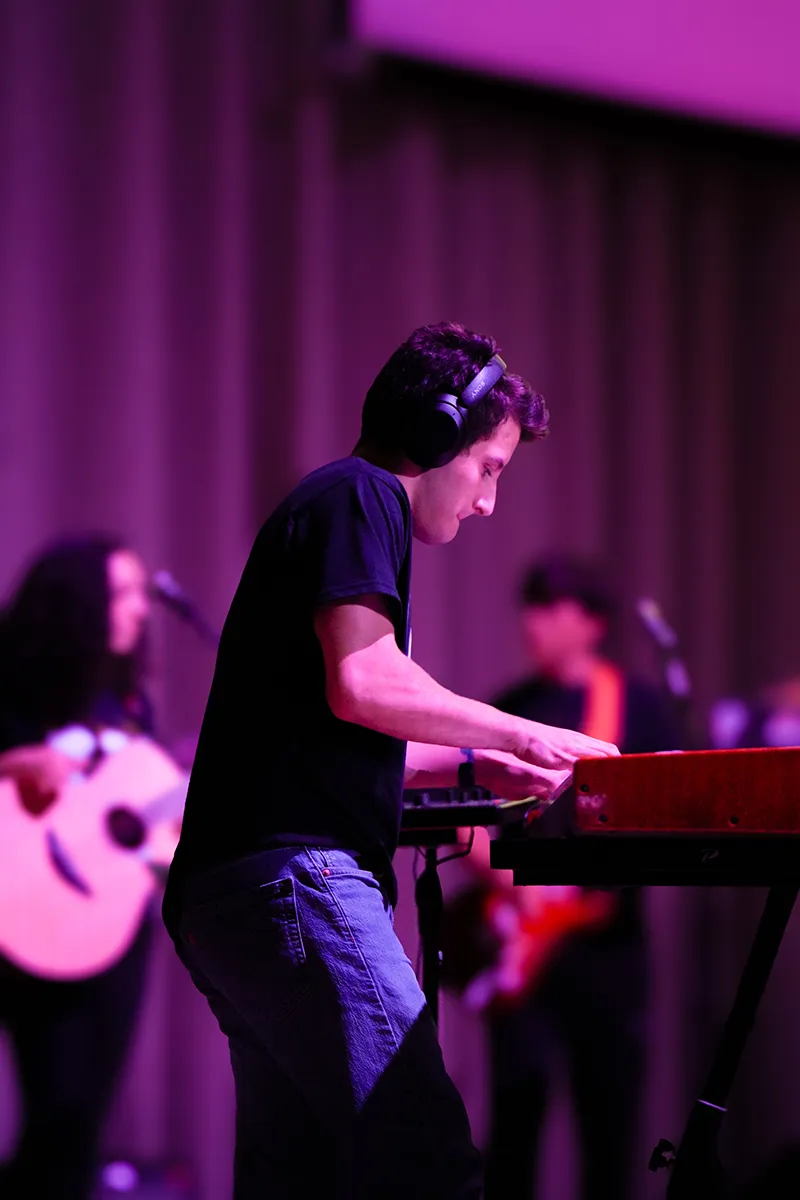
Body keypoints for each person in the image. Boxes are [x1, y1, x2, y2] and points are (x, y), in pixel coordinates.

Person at [162, 322, 620, 1199]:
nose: (489, 502)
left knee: (299, 1174)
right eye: (490, 468)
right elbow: (363, 683)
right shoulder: (360, 495)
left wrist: (476, 762)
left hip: (232, 892)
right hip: (295, 878)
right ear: (441, 432)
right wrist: (521, 731)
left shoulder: (338, 504)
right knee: (427, 1161)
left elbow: (336, 728)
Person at [461, 554, 680, 1200]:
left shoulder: (636, 706)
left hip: (607, 953)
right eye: (529, 605)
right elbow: (465, 821)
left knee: (609, 1131)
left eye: (550, 607)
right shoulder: (512, 709)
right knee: (513, 1129)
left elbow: (669, 812)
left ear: (593, 622)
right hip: (524, 948)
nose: (532, 622)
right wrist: (514, 887)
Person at [0, 534, 156, 1200]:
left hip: (114, 923)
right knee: (56, 1108)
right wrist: (14, 763)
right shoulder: (13, 692)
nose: (140, 609)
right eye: (122, 593)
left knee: (87, 1115)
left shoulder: (127, 705)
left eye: (142, 593)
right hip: (31, 914)